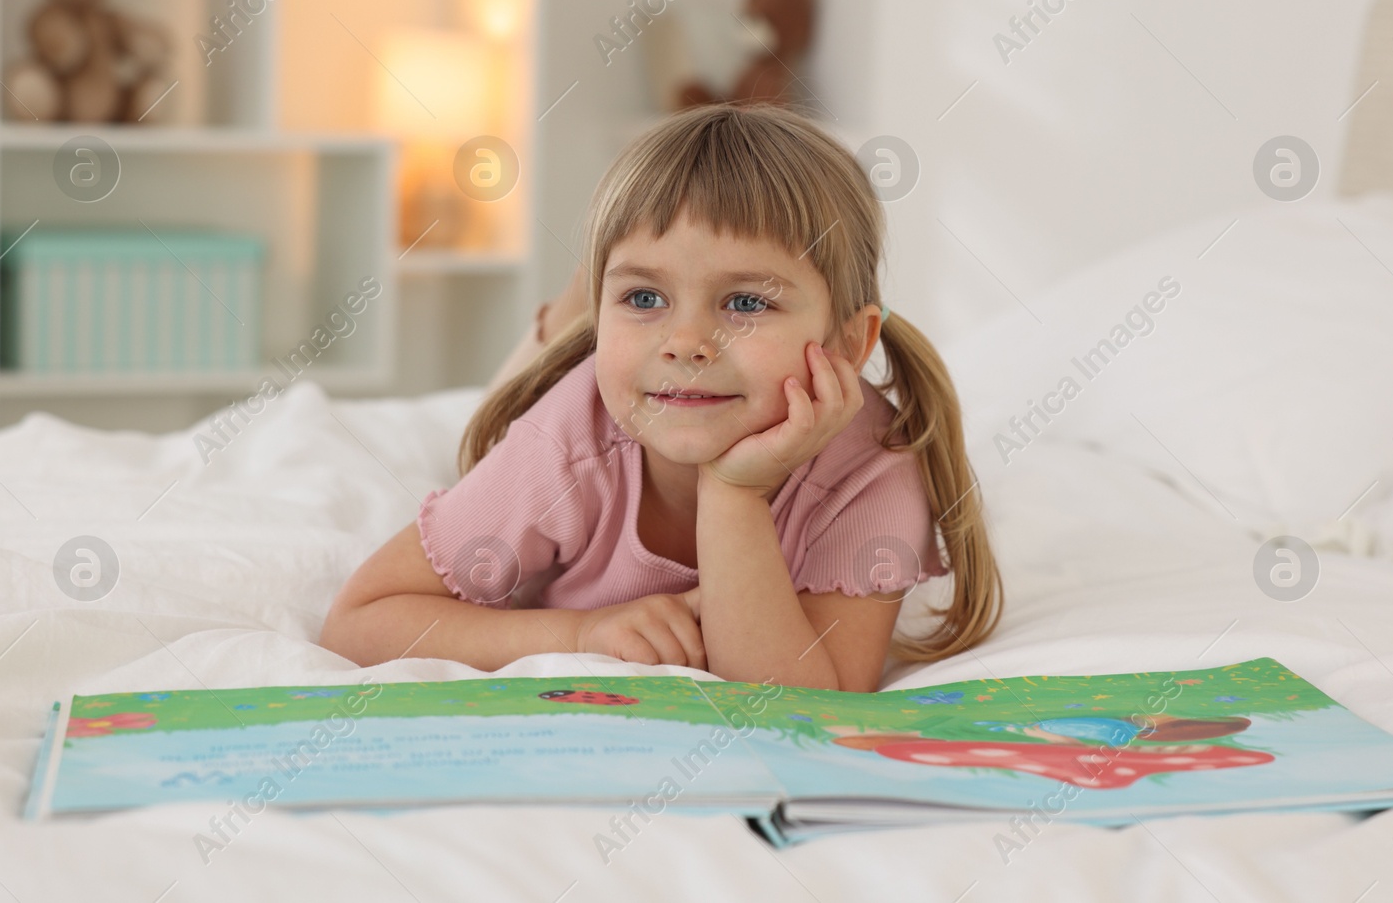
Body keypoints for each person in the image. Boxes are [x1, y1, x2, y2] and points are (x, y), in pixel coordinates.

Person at [319, 103, 1002, 692]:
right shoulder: (568, 439)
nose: (687, 340)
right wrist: (582, 631)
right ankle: (571, 318)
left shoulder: (873, 468)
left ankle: (600, 307)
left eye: (744, 301)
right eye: (644, 295)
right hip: (590, 397)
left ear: (851, 344)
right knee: (499, 411)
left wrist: (734, 494)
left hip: (641, 391)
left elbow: (807, 701)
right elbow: (360, 619)